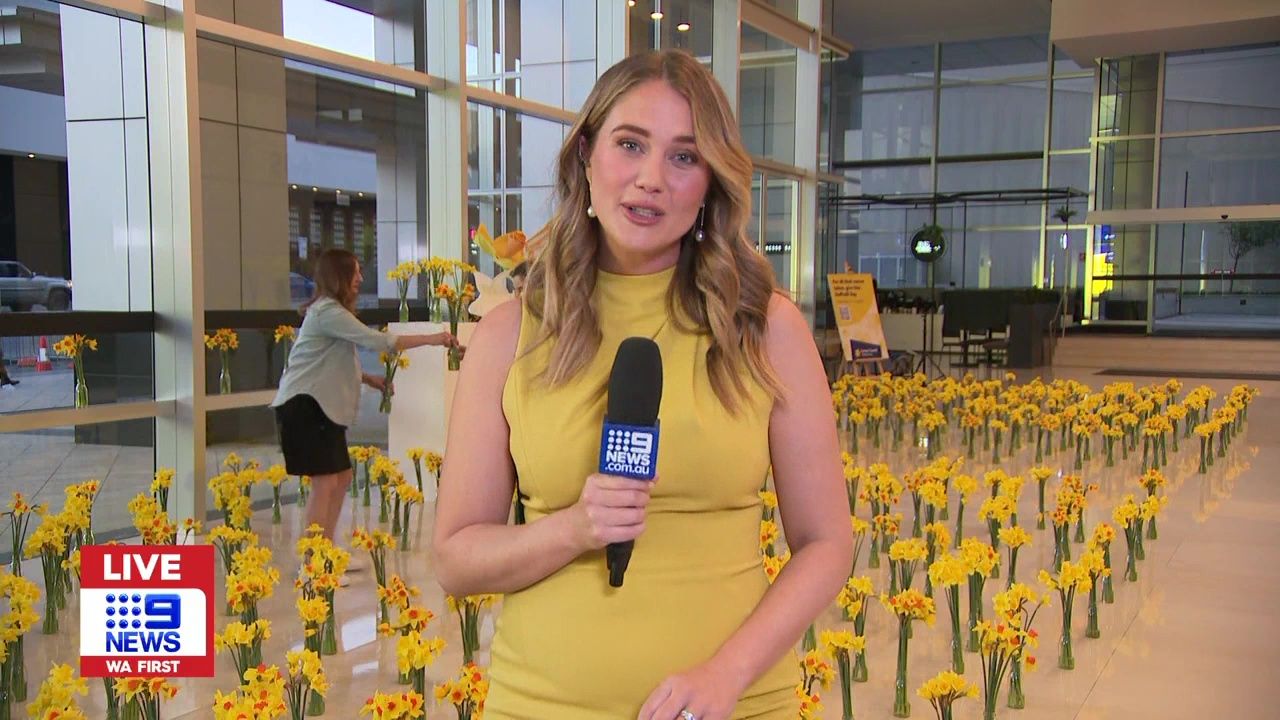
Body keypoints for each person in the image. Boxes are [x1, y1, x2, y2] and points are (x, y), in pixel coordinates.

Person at [433, 50, 850, 720]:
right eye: (630, 145)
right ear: (586, 157)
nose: (651, 179)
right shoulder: (511, 334)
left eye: (684, 156)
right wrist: (576, 528)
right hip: (542, 704)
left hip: (731, 707)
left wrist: (725, 676)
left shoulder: (766, 328)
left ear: (711, 181)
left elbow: (827, 544)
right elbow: (457, 559)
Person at [272, 249, 456, 541]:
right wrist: (434, 339)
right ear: (339, 276)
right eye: (355, 272)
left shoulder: (331, 312)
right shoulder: (328, 312)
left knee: (341, 477)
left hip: (317, 407)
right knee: (325, 482)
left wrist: (370, 379)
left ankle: (324, 548)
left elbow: (327, 361)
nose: (360, 277)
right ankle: (314, 557)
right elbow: (380, 341)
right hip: (305, 406)